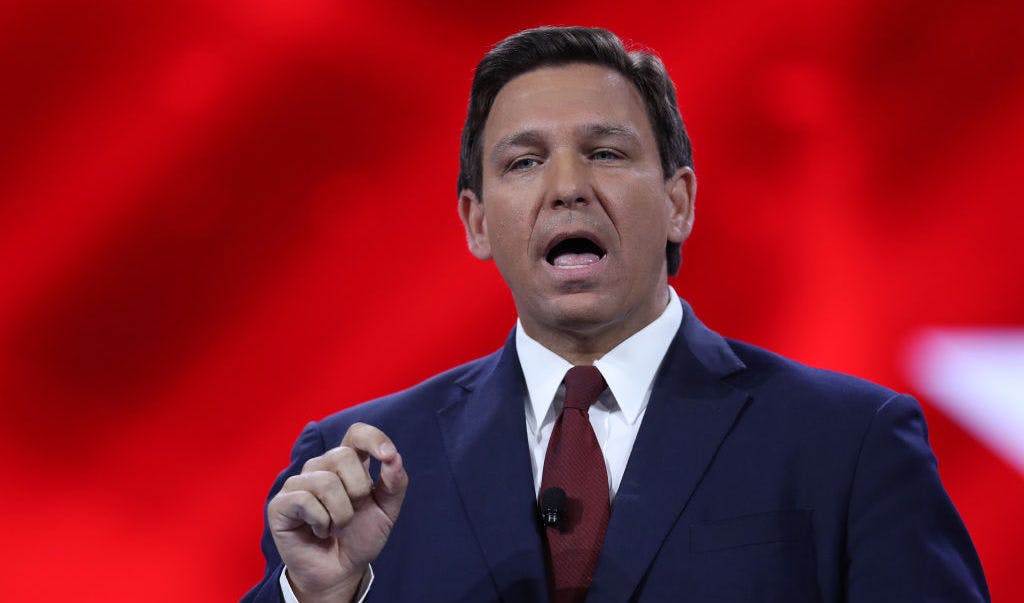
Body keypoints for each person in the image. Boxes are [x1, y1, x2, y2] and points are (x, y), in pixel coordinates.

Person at [242, 26, 989, 603]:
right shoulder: (359, 467)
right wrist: (316, 595)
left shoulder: (850, 442)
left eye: (604, 152)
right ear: (476, 222)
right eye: (524, 162)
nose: (567, 187)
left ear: (678, 202)